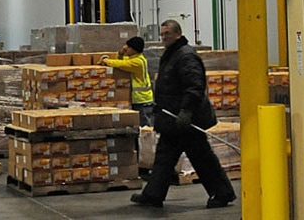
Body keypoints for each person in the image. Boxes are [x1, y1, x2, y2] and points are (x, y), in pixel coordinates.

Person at [130, 19, 236, 209]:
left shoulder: (185, 56)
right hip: (172, 118)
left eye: (167, 34)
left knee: (201, 157)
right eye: (162, 35)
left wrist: (186, 111)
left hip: (186, 119)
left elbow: (195, 86)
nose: (164, 38)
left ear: (178, 34)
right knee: (164, 157)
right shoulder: (172, 54)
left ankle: (222, 193)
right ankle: (153, 194)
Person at [98, 36, 154, 126]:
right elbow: (120, 60)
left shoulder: (137, 62)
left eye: (128, 47)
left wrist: (106, 61)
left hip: (142, 100)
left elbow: (120, 64)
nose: (125, 48)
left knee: (144, 127)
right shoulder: (133, 58)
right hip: (138, 99)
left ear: (134, 50)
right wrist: (120, 53)